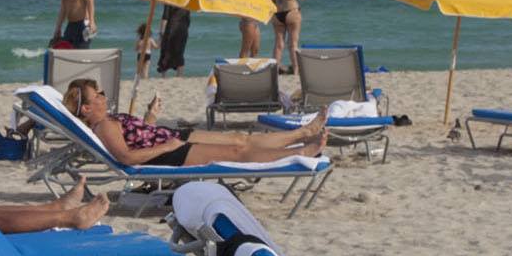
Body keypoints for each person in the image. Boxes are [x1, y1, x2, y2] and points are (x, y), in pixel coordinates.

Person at [61, 78, 325, 167]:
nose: (105, 97)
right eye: (99, 96)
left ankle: (303, 132)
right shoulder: (103, 126)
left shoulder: (108, 121)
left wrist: (151, 116)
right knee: (237, 152)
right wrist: (167, 148)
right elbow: (127, 158)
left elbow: (139, 135)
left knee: (240, 139)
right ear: (86, 108)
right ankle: (299, 153)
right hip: (171, 151)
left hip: (172, 138)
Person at [267, 0, 306, 65]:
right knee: (293, 44)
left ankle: (275, 69)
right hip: (292, 12)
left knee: (279, 44)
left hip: (278, 14)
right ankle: (296, 70)